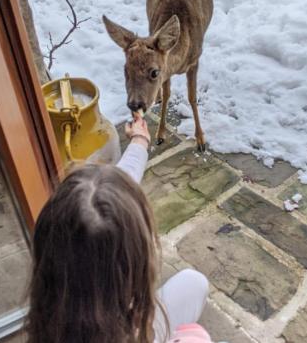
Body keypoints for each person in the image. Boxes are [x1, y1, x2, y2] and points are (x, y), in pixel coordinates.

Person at [26, 115, 212, 343]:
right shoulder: (126, 330)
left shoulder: (52, 312)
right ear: (131, 267)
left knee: (194, 284)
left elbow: (105, 201)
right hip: (140, 332)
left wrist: (139, 142)